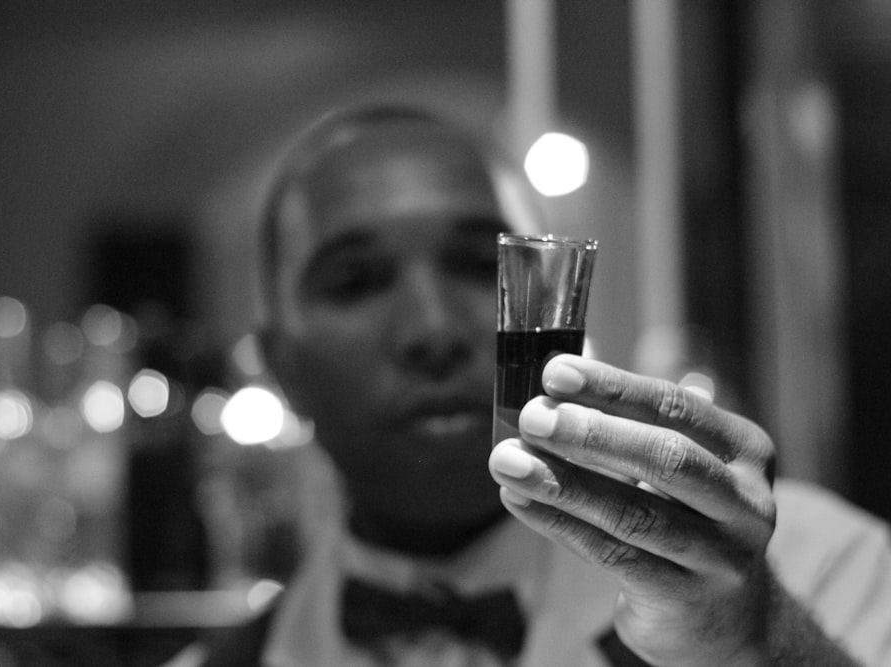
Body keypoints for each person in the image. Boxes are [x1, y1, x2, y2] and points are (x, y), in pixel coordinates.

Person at [183, 104, 891, 666]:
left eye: (476, 261)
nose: (432, 328)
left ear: (562, 306)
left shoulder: (813, 562)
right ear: (284, 368)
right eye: (356, 280)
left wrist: (758, 645)